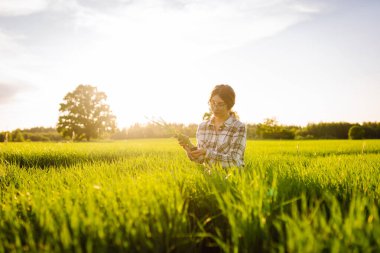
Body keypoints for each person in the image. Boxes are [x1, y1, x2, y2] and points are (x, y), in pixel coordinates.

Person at [180, 84, 247, 169]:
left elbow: (234, 161)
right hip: (211, 176)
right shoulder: (203, 127)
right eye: (213, 102)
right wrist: (189, 148)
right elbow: (201, 160)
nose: (215, 107)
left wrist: (207, 152)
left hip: (232, 176)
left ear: (229, 105)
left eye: (220, 104)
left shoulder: (238, 127)